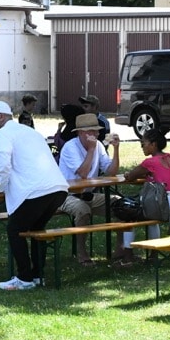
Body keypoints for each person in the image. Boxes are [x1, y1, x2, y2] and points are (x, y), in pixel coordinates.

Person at [0, 101, 69, 289]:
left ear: (1, 117)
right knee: (37, 228)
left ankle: (24, 278)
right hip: (58, 188)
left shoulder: (3, 133)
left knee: (14, 230)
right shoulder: (29, 132)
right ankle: (37, 275)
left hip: (36, 190)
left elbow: (3, 163)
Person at [57, 112, 126, 266]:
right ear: (81, 133)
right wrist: (91, 150)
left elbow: (111, 172)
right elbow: (83, 173)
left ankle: (122, 250)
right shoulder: (70, 147)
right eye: (92, 131)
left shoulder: (98, 146)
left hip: (89, 194)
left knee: (123, 205)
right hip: (66, 195)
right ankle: (82, 253)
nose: (96, 134)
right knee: (82, 210)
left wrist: (116, 149)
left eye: (97, 131)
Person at [119, 129, 170, 265]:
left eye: (143, 143)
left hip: (167, 207)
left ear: (153, 144)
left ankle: (128, 257)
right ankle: (153, 255)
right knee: (151, 215)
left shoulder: (150, 162)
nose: (142, 146)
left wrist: (131, 174)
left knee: (128, 214)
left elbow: (131, 176)